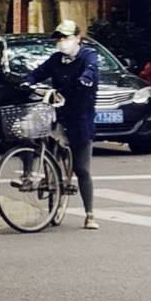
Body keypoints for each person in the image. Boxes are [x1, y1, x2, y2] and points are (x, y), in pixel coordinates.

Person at [26, 18, 99, 229]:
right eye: (59, 38)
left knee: (82, 169)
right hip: (57, 114)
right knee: (39, 139)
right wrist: (28, 81)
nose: (62, 42)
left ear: (78, 38)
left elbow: (91, 70)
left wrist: (85, 78)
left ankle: (90, 214)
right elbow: (39, 72)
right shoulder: (56, 59)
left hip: (80, 118)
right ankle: (45, 185)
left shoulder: (88, 56)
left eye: (66, 37)